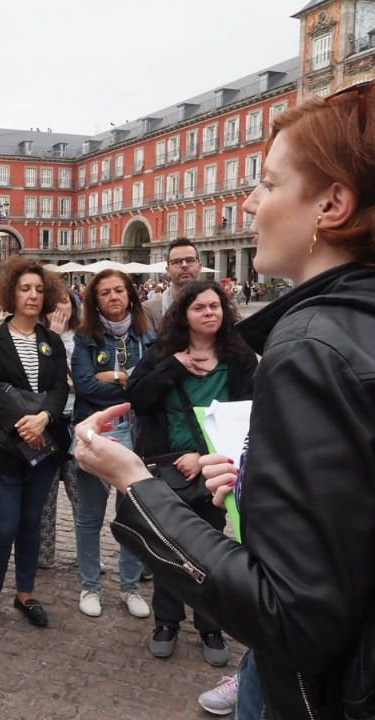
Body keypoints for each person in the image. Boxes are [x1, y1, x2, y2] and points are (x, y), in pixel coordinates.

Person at [73, 74, 375, 718]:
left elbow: (293, 616)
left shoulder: (312, 345)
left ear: (332, 205)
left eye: (270, 183)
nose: (248, 203)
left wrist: (134, 484)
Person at [126, 279, 258, 667]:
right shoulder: (162, 353)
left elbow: (248, 413)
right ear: (184, 315)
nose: (209, 313)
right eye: (200, 308)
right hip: (167, 465)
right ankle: (166, 622)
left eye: (215, 306)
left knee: (212, 548)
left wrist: (201, 457)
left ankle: (211, 625)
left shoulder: (240, 357)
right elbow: (137, 396)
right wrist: (173, 367)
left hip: (217, 467)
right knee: (170, 549)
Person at [0, 257, 70, 629]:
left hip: (44, 445)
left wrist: (44, 418)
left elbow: (59, 387)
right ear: (11, 292)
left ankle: (25, 592)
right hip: (5, 446)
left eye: (39, 290)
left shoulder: (52, 342)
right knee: (4, 525)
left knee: (31, 522)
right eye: (25, 288)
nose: (32, 295)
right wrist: (21, 423)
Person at [70, 269, 156, 620]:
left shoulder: (147, 337)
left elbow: (150, 384)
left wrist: (117, 378)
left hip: (137, 437)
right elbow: (85, 385)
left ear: (130, 296)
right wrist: (129, 381)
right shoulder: (85, 338)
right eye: (105, 292)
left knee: (133, 515)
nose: (113, 297)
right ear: (95, 301)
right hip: (97, 435)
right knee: (89, 516)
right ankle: (90, 584)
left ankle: (130, 586)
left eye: (119, 290)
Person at [37, 293, 81, 569]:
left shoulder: (85, 338)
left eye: (64, 301)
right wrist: (53, 337)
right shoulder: (37, 338)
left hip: (78, 423)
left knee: (82, 496)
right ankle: (42, 555)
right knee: (45, 496)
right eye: (53, 303)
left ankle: (88, 553)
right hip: (48, 424)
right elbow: (38, 380)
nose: (59, 308)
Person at [144, 238, 204, 333]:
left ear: (200, 266)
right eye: (176, 261)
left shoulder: (216, 306)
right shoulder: (150, 310)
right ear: (167, 270)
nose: (184, 265)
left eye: (190, 260)